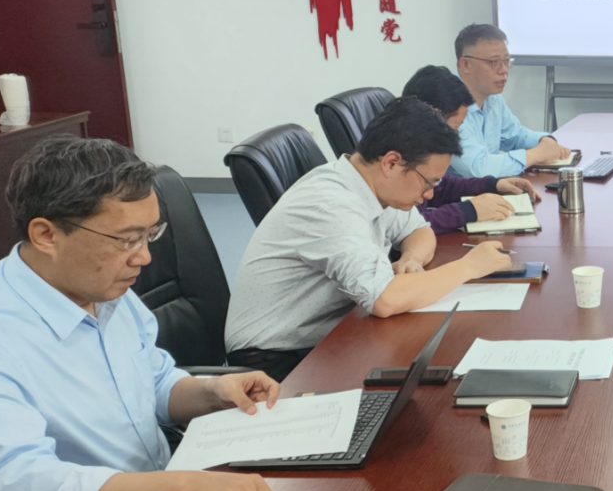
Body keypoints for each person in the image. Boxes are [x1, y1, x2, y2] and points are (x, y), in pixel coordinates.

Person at [0, 135, 284, 491]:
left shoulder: (100, 286)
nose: (144, 256)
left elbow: (152, 381)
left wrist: (211, 392)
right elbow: (22, 485)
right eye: (127, 240)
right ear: (46, 235)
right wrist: (183, 487)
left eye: (150, 234)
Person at [225, 97, 512, 380]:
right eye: (429, 182)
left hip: (330, 333)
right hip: (274, 363)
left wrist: (411, 258)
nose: (429, 194)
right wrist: (468, 267)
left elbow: (419, 230)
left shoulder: (372, 185)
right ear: (391, 163)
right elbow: (385, 299)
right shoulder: (331, 203)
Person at [401, 65, 541, 233]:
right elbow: (406, 225)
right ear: (433, 118)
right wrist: (469, 210)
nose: (456, 136)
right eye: (455, 128)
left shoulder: (419, 151)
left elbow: (441, 187)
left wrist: (492, 184)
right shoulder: (401, 158)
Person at [449, 23, 571, 176]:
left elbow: (514, 135)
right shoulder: (446, 103)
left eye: (506, 61)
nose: (504, 70)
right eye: (494, 62)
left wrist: (544, 140)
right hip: (450, 191)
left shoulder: (493, 98)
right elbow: (478, 168)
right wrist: (538, 153)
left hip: (486, 188)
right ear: (465, 64)